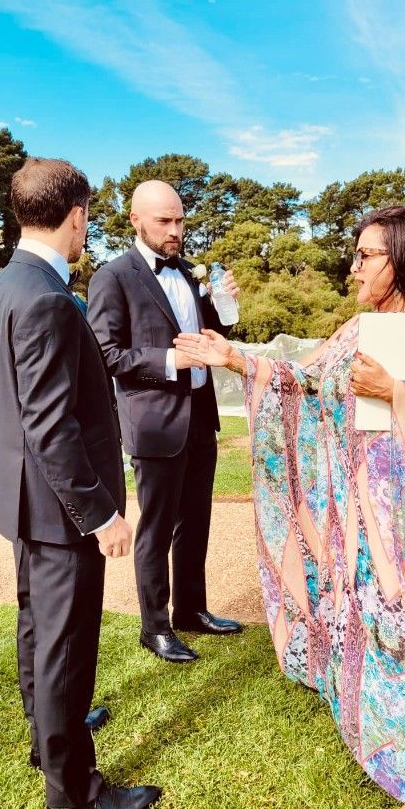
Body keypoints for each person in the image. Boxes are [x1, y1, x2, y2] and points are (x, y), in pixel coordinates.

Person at [174, 206, 405, 809]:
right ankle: (379, 721)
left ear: (401, 258)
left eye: (366, 256)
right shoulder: (358, 328)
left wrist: (397, 389)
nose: (354, 268)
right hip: (354, 512)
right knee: (372, 622)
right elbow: (306, 381)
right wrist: (235, 359)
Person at [0, 158, 161, 809]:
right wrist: (101, 515)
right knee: (64, 644)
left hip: (22, 499)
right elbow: (50, 424)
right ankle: (75, 792)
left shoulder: (7, 282)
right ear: (78, 215)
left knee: (38, 627)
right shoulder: (45, 297)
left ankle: (50, 733)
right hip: (62, 508)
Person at [87, 180, 243, 665]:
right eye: (164, 222)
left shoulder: (188, 273)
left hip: (201, 416)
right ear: (135, 220)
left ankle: (191, 610)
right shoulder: (112, 277)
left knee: (196, 520)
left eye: (179, 220)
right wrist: (171, 359)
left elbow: (209, 332)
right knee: (156, 529)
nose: (176, 231)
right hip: (155, 425)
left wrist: (225, 306)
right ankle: (154, 627)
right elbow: (106, 353)